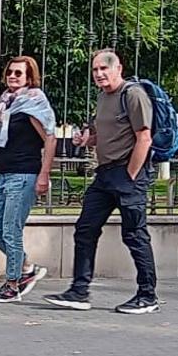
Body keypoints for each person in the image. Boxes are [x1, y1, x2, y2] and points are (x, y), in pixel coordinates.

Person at [44, 49, 160, 314]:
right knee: (85, 229)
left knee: (134, 235)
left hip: (127, 174)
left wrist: (131, 175)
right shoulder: (103, 97)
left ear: (118, 68)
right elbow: (108, 133)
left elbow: (144, 138)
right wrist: (88, 140)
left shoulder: (133, 95)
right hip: (105, 174)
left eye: (103, 69)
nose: (98, 74)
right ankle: (79, 291)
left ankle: (147, 295)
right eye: (95, 70)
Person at [0, 56, 57, 303]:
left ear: (29, 77)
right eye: (10, 72)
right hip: (4, 173)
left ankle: (13, 284)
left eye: (18, 74)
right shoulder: (6, 104)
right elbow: (6, 143)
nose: (12, 76)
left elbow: (50, 138)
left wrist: (44, 174)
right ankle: (25, 267)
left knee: (11, 230)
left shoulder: (33, 103)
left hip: (24, 174)